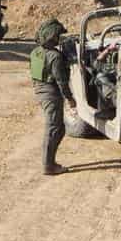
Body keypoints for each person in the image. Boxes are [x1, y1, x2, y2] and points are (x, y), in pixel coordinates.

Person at [29, 18, 76, 175]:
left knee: (59, 129)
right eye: (57, 36)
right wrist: (70, 99)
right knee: (53, 129)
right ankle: (48, 166)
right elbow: (61, 81)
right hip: (51, 94)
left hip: (40, 91)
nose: (58, 39)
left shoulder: (35, 52)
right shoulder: (55, 56)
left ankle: (50, 162)